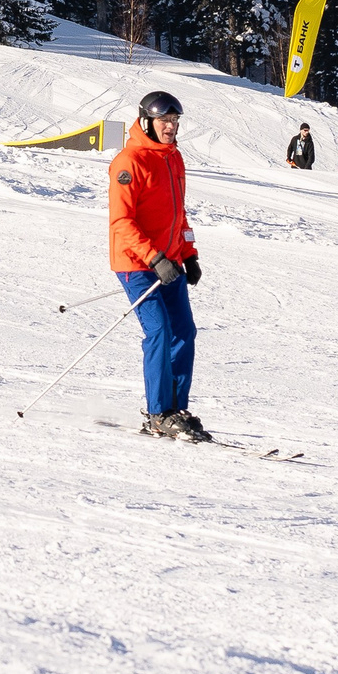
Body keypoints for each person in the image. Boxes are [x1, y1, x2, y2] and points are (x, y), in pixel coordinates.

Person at [111, 90, 207, 441]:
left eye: (175, 121)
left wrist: (188, 252)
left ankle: (175, 410)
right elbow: (122, 222)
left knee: (184, 332)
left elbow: (178, 213)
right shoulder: (129, 161)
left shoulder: (173, 158)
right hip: (137, 264)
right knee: (159, 331)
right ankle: (157, 414)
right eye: (165, 121)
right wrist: (154, 258)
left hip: (169, 262)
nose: (171, 127)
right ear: (147, 121)